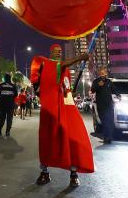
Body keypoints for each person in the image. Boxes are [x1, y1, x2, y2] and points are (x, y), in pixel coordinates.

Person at [30, 44, 94, 188]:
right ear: (50, 52)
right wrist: (80, 57)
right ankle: (44, 172)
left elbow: (67, 87)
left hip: (67, 107)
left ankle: (73, 174)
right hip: (51, 109)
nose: (59, 53)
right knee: (48, 140)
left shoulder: (63, 69)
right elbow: (60, 65)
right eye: (56, 51)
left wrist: (70, 91)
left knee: (74, 139)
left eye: (60, 51)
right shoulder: (49, 65)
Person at [91, 67, 117, 145]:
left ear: (106, 74)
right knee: (105, 122)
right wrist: (98, 86)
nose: (103, 75)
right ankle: (106, 137)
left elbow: (114, 89)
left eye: (104, 73)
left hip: (109, 105)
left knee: (110, 122)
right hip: (101, 106)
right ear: (99, 74)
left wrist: (118, 95)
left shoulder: (109, 82)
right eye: (101, 73)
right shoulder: (96, 81)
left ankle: (109, 137)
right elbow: (92, 90)